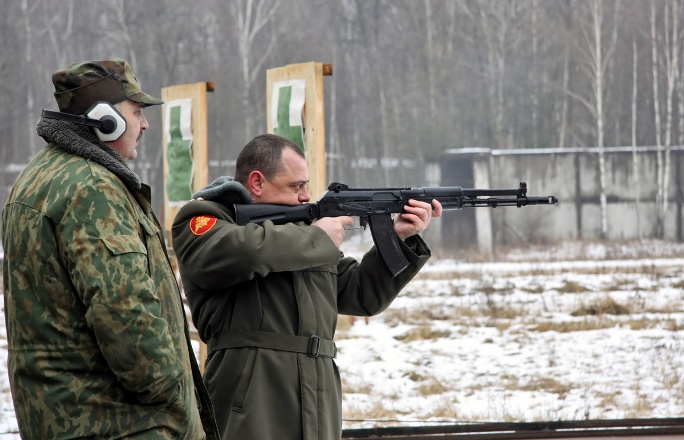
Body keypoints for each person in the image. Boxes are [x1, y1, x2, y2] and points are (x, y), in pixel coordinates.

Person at [171, 133, 443, 440]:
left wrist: (398, 239)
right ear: (257, 182)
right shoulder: (204, 218)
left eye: (306, 185)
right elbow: (241, 252)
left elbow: (361, 293)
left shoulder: (299, 236)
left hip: (317, 398)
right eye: (296, 186)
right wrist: (316, 239)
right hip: (252, 401)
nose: (306, 196)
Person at [1, 58, 219, 439]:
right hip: (123, 424)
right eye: (137, 113)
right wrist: (172, 392)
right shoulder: (92, 188)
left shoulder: (38, 177)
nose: (145, 124)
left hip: (66, 419)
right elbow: (124, 310)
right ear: (106, 120)